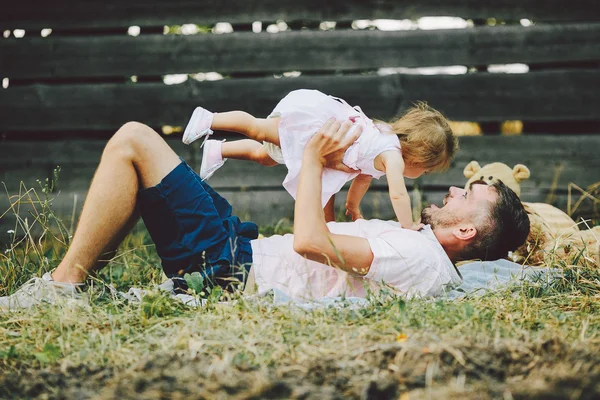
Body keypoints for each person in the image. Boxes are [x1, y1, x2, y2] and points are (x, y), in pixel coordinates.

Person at [0, 119, 529, 310]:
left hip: (230, 269)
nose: (455, 187)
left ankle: (64, 285)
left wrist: (311, 159)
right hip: (239, 248)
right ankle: (75, 280)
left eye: (468, 194)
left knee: (134, 140)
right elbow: (328, 233)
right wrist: (332, 167)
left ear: (465, 229)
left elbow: (310, 242)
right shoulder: (413, 239)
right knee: (146, 166)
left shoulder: (417, 254)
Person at [183, 89, 457, 228]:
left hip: (321, 148)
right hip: (314, 128)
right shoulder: (393, 157)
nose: (421, 175)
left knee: (267, 156)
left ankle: (218, 150)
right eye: (426, 171)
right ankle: (209, 118)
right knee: (257, 128)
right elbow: (398, 195)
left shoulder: (384, 153)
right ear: (420, 158)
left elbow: (361, 180)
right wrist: (407, 224)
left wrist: (354, 207)